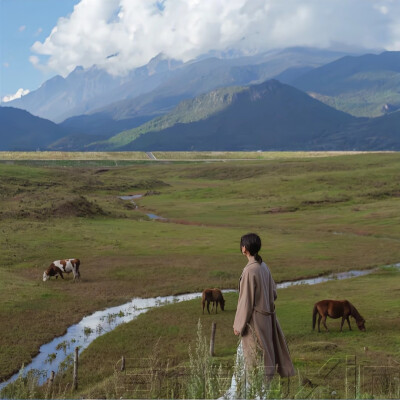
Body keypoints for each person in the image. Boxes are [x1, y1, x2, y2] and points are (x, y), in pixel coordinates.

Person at [233, 233, 295, 380]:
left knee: (252, 359)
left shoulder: (249, 270)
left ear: (244, 249)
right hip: (267, 320)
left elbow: (246, 302)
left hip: (255, 323)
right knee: (265, 355)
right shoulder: (263, 266)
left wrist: (238, 325)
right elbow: (273, 293)